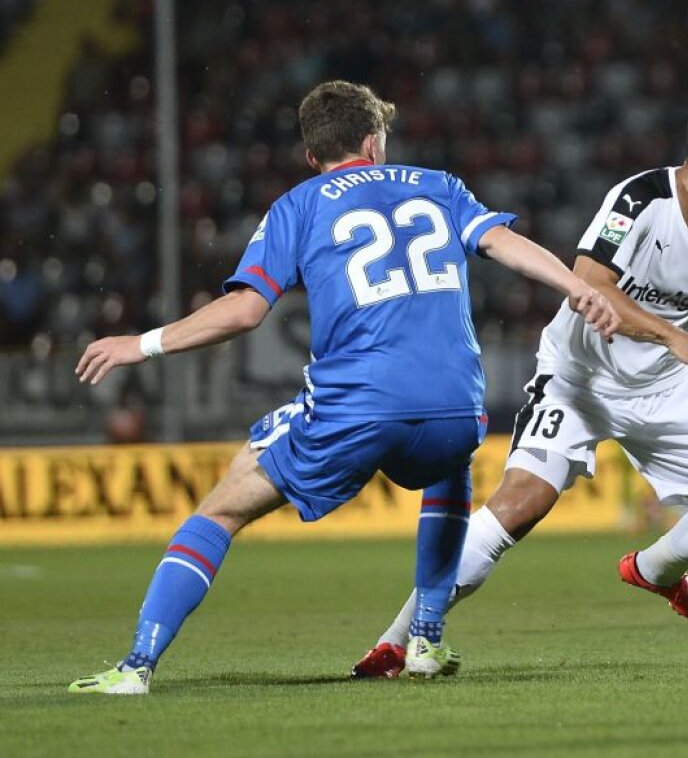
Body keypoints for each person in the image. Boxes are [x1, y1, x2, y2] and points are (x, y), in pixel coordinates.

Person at [67, 80, 618, 694]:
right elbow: (501, 242)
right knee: (449, 466)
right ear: (373, 140)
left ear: (312, 156)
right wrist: (576, 286)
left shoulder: (299, 204)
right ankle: (427, 637)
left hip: (358, 407)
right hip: (460, 406)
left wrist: (140, 344)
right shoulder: (439, 184)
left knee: (219, 510)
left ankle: (136, 667)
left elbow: (244, 313)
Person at [351, 83, 688, 678]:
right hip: (578, 379)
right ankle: (396, 642)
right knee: (520, 504)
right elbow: (590, 283)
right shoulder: (639, 199)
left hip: (661, 386)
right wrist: (675, 335)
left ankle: (655, 571)